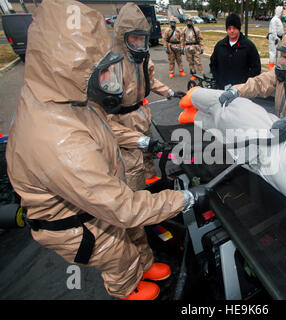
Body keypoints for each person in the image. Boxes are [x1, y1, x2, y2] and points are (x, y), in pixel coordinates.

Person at [6, 0, 207, 300]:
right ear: (70, 67)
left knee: (131, 232)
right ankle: (126, 288)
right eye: (98, 72)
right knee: (116, 251)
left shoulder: (60, 94)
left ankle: (143, 264)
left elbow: (103, 129)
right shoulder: (59, 141)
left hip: (91, 196)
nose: (108, 81)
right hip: (74, 222)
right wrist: (184, 198)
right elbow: (122, 208)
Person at [108, 3, 185, 192]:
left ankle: (152, 185)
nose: (138, 43)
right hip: (123, 121)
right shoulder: (111, 67)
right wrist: (139, 140)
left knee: (149, 155)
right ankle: (136, 197)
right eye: (134, 38)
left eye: (141, 39)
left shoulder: (142, 59)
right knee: (133, 163)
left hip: (142, 114)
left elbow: (150, 81)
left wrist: (170, 92)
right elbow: (104, 120)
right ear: (122, 37)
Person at [218, 20, 286, 118]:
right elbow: (261, 83)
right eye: (282, 56)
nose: (282, 61)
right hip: (279, 126)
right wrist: (237, 90)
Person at [209, 13, 261, 90]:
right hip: (222, 88)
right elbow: (213, 64)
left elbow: (256, 68)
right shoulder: (220, 46)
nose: (232, 31)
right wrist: (218, 80)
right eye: (229, 28)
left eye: (234, 28)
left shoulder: (248, 46)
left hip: (241, 90)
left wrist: (244, 82)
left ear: (239, 28)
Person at [181, 17, 204, 81]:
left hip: (195, 46)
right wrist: (182, 48)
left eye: (190, 21)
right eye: (187, 21)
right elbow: (182, 39)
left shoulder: (196, 29)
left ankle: (201, 74)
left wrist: (201, 47)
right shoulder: (184, 30)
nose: (188, 22)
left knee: (198, 61)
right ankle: (193, 74)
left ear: (192, 21)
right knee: (190, 62)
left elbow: (200, 39)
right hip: (187, 47)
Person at [267, 6, 284, 70]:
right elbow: (273, 30)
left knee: (278, 52)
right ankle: (271, 65)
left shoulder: (278, 20)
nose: (283, 13)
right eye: (282, 12)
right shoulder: (274, 20)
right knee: (273, 52)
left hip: (277, 38)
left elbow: (279, 29)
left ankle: (277, 65)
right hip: (274, 38)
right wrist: (275, 38)